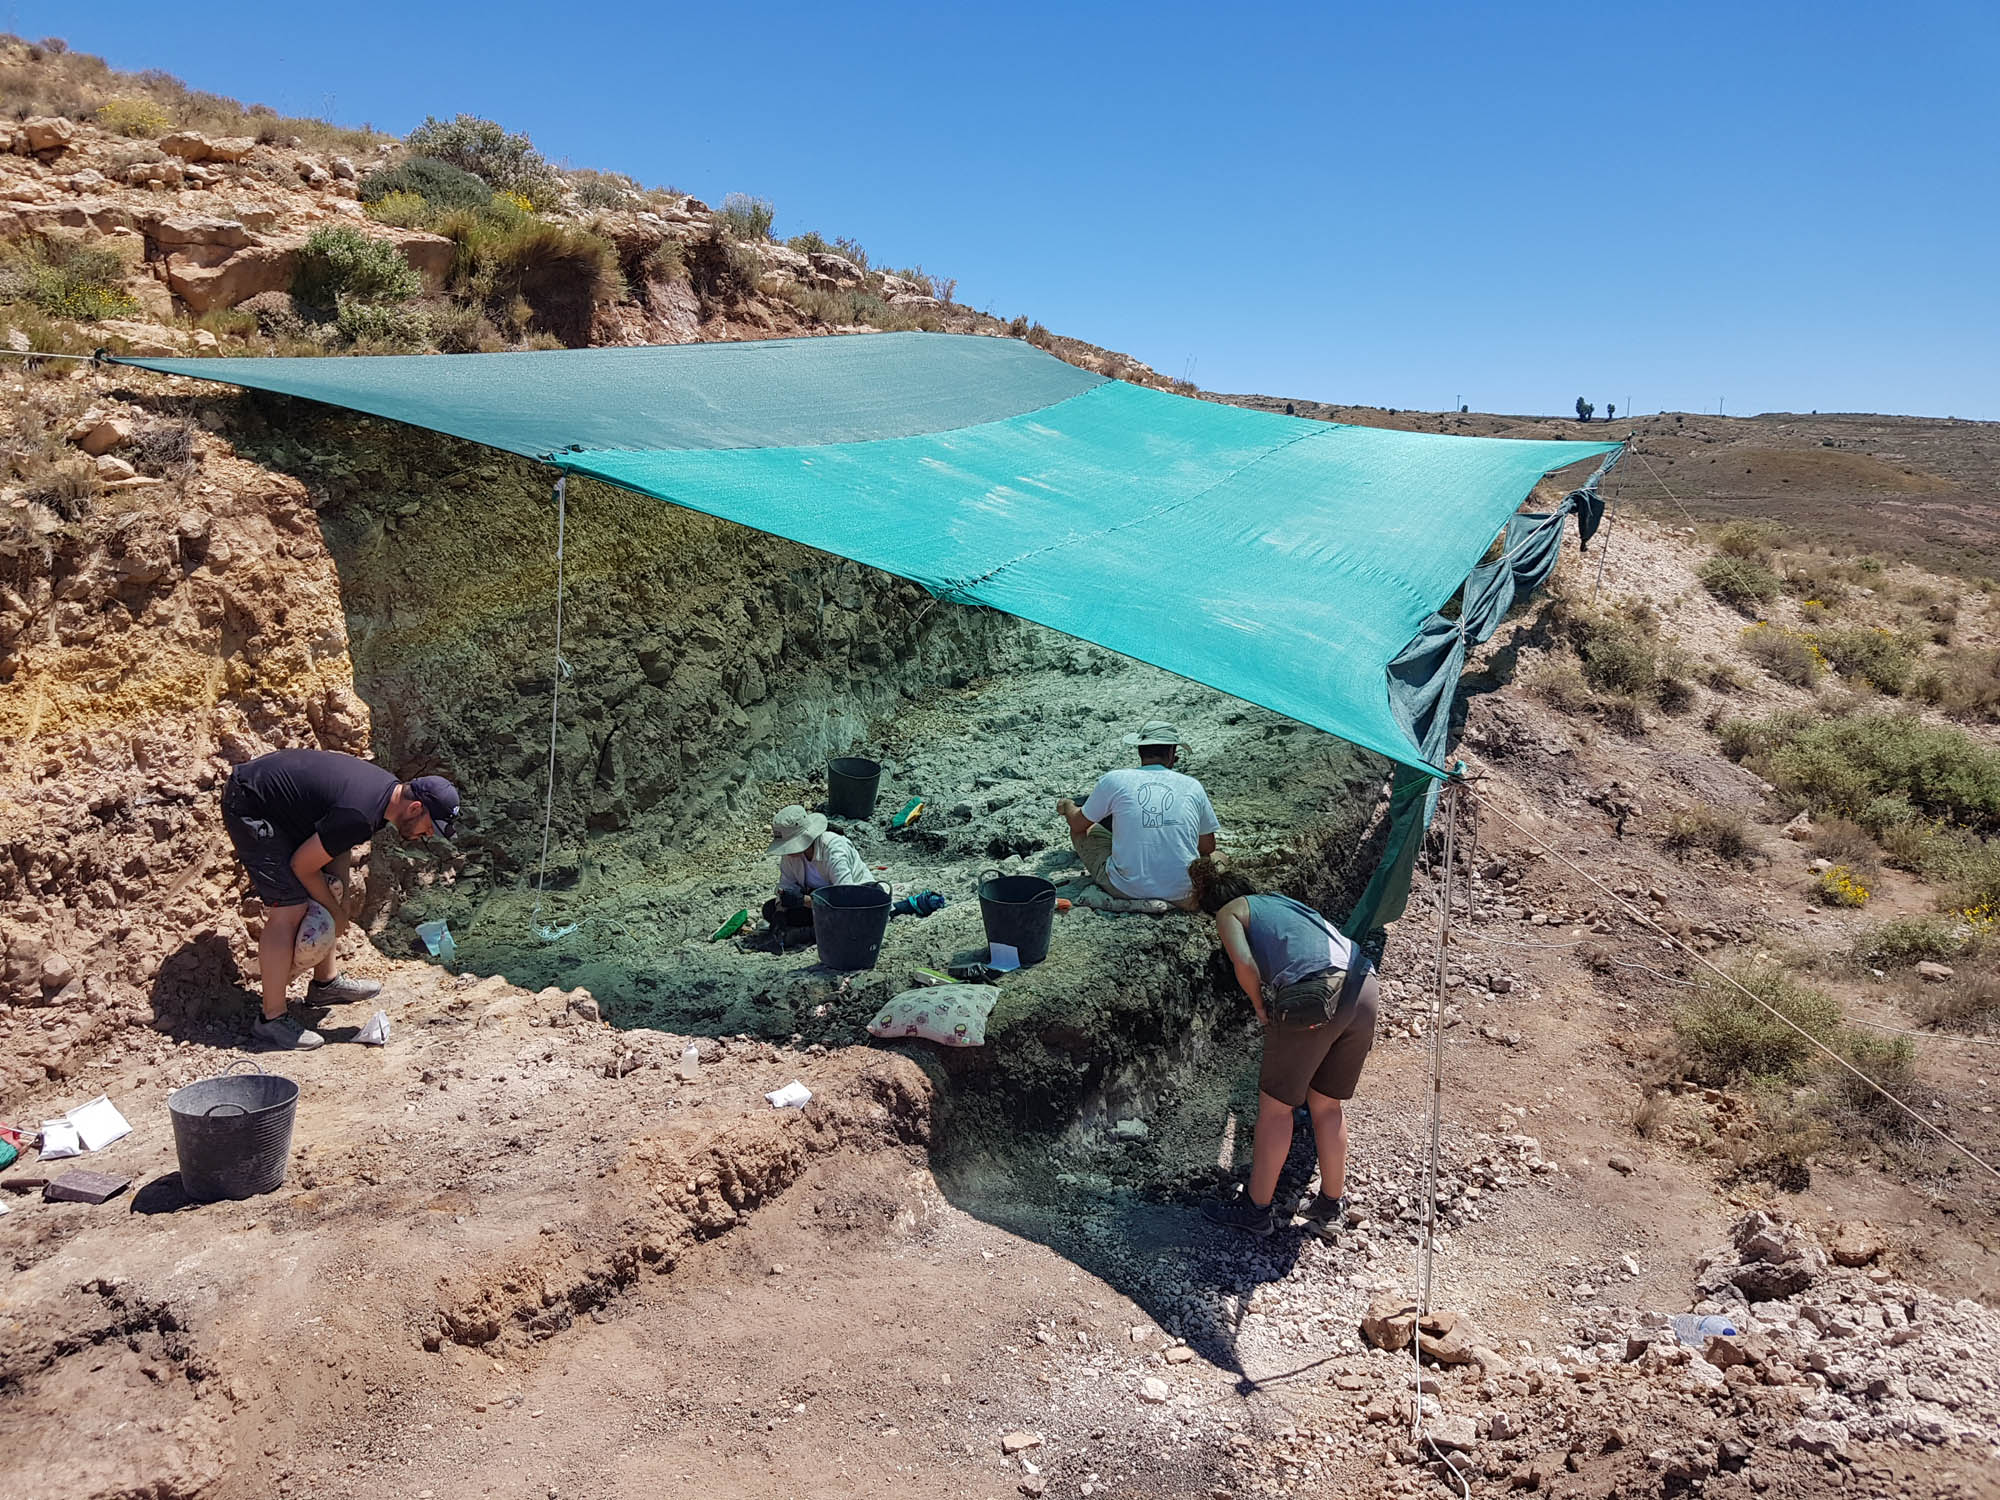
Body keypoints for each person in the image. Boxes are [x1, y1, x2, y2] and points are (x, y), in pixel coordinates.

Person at [1188, 856, 1379, 1237]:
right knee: (1326, 1104)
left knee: (1276, 1110)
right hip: (1364, 984)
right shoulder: (1279, 902)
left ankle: (1255, 1211)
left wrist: (1261, 1006)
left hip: (1314, 994)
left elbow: (1244, 962)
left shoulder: (1229, 913)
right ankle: (1330, 1204)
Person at [221, 749, 459, 1050]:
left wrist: (340, 898)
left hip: (280, 806)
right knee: (290, 906)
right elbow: (302, 865)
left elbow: (337, 848)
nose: (426, 835)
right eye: (429, 827)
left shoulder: (385, 799)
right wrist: (335, 913)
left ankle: (325, 985)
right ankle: (271, 1019)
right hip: (251, 804)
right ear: (414, 808)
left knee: (330, 889)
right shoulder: (361, 812)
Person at [1055, 718, 1219, 908]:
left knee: (1084, 830)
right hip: (1184, 893)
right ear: (1171, 752)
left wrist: (1067, 805)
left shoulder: (1114, 780)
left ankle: (1130, 895)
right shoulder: (1193, 786)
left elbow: (1077, 824)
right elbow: (1207, 846)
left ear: (1140, 750)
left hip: (1125, 889)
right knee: (1218, 857)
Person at [761, 804, 870, 934]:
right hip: (817, 903)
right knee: (769, 909)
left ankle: (811, 933)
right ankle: (819, 927)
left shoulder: (833, 849)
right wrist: (780, 912)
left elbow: (845, 895)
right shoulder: (791, 857)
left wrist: (804, 901)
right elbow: (786, 886)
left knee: (846, 915)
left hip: (851, 901)